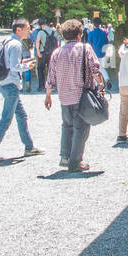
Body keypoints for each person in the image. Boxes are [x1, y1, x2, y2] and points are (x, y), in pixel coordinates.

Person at [46, 19, 106, 172]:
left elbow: (51, 76)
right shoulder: (85, 49)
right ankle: (75, 162)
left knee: (67, 126)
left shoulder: (57, 52)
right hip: (81, 94)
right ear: (80, 34)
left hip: (64, 96)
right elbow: (94, 69)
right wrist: (101, 84)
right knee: (81, 128)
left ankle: (64, 157)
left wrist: (48, 94)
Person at [0, 18, 41, 162]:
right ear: (18, 30)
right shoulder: (16, 44)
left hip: (5, 82)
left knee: (22, 116)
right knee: (6, 120)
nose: (29, 31)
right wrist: (26, 67)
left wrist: (23, 62)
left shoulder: (8, 41)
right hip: (11, 85)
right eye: (27, 28)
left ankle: (29, 147)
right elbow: (14, 66)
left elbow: (9, 62)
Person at [87, 18, 111, 88]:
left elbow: (89, 44)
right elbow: (107, 43)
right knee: (102, 67)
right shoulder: (104, 33)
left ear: (93, 24)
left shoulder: (91, 33)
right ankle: (107, 79)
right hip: (103, 53)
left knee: (94, 69)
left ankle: (97, 84)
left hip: (94, 53)